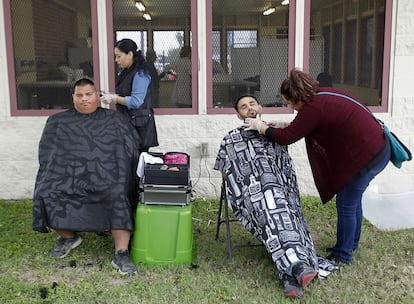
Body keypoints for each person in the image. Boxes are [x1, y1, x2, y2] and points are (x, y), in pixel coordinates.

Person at [243, 68, 391, 265]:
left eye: (289, 102)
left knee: (346, 204)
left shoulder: (313, 108)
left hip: (367, 156)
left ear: (297, 97)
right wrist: (279, 124)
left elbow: (286, 138)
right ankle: (350, 245)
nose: (290, 107)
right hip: (377, 148)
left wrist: (261, 127)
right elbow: (305, 125)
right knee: (352, 201)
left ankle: (343, 255)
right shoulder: (321, 95)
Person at [214, 95, 338, 299]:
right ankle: (297, 267)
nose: (249, 109)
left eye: (252, 104)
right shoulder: (231, 138)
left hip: (279, 192)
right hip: (252, 197)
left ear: (260, 107)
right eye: (244, 107)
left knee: (283, 215)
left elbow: (286, 170)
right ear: (238, 116)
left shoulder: (275, 134)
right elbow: (226, 175)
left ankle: (292, 275)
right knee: (273, 214)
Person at [32, 78, 140, 275]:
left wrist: (116, 176)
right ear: (72, 98)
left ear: (97, 96)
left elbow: (130, 152)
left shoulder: (115, 120)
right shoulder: (57, 122)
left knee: (116, 193)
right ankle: (69, 237)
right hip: (67, 176)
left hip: (107, 176)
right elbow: (47, 155)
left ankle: (121, 253)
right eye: (79, 95)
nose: (84, 99)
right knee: (46, 192)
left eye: (88, 94)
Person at [100, 38, 158, 153]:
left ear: (130, 54)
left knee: (137, 165)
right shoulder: (127, 71)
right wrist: (112, 95)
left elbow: (136, 101)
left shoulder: (141, 73)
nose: (116, 60)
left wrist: (114, 98)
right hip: (128, 124)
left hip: (139, 128)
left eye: (119, 56)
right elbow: (126, 93)